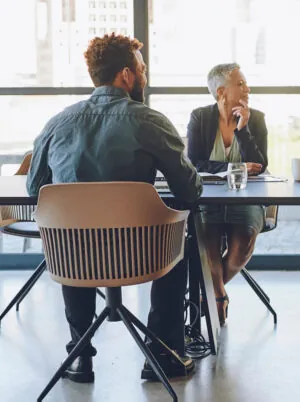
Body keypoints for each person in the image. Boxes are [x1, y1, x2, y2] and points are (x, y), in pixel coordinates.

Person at [26, 34, 201, 383]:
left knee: (72, 231)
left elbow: (35, 189)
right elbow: (189, 190)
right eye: (143, 69)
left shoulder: (57, 123)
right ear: (126, 75)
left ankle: (79, 355)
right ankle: (161, 354)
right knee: (182, 230)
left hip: (73, 258)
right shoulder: (149, 121)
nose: (145, 77)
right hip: (141, 255)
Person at [186, 63, 268, 326]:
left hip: (246, 199)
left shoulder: (256, 118)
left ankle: (207, 292)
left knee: (240, 248)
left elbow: (260, 165)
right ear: (221, 92)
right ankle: (219, 296)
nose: (248, 88)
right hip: (207, 201)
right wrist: (235, 167)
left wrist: (243, 130)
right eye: (241, 84)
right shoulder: (200, 118)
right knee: (207, 246)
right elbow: (194, 163)